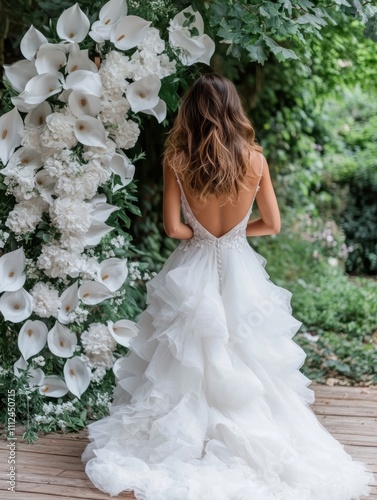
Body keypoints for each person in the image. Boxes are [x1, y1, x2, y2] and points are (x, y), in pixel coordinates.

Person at [82, 73, 375, 499]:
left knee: (186, 357)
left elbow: (173, 228)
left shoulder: (176, 160)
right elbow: (272, 224)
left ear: (191, 111)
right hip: (241, 267)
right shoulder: (255, 159)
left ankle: (185, 442)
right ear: (233, 109)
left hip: (193, 265)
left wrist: (206, 236)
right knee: (246, 352)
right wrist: (234, 235)